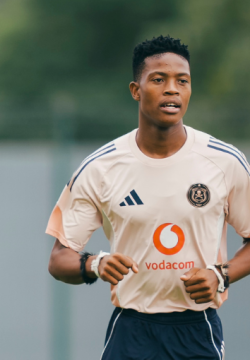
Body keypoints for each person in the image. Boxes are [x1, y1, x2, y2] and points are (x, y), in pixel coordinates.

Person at [46, 36, 250, 360]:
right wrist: (96, 264)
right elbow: (59, 259)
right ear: (135, 90)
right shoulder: (100, 167)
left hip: (197, 329)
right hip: (131, 329)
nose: (172, 90)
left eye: (182, 81)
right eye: (158, 80)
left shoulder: (224, 162)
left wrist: (220, 275)